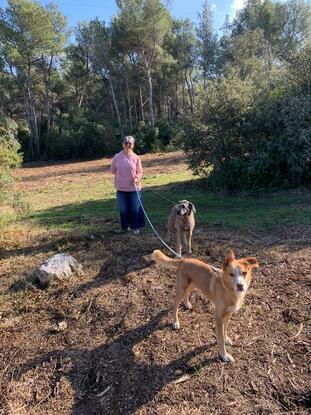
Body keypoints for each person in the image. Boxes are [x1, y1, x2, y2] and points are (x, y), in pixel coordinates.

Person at [110, 136, 145, 235]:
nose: (128, 145)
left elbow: (140, 171)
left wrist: (137, 178)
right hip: (121, 188)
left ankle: (135, 227)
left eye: (130, 143)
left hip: (134, 188)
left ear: (133, 145)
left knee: (135, 208)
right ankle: (125, 227)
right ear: (122, 145)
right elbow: (112, 171)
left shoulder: (136, 157)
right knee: (123, 209)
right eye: (126, 143)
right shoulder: (117, 157)